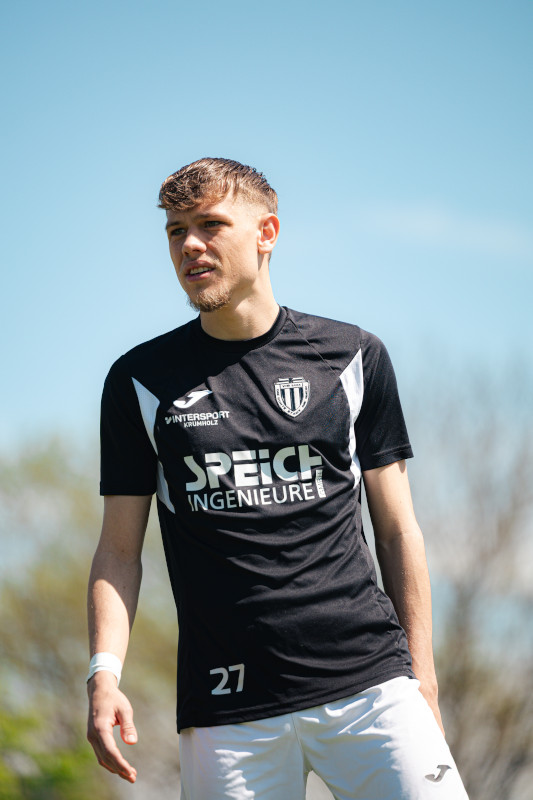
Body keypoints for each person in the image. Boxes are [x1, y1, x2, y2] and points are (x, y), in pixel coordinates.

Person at [87, 157, 468, 799]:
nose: (190, 245)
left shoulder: (353, 356)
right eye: (176, 231)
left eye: (210, 224)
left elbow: (399, 531)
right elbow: (118, 551)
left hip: (372, 688)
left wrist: (422, 677)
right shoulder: (139, 381)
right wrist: (103, 673)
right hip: (227, 710)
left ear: (267, 233)